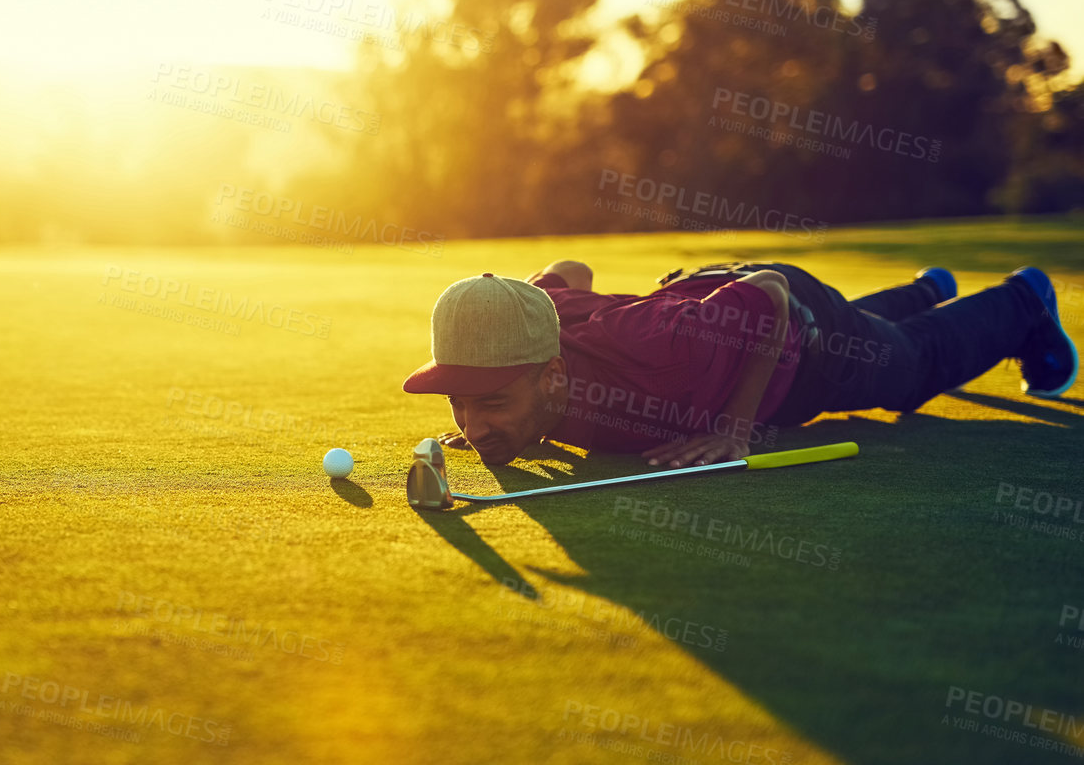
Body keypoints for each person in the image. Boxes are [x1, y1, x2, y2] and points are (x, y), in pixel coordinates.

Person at [401, 261, 1076, 470]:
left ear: (550, 375)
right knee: (893, 336)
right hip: (710, 304)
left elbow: (766, 296)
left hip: (800, 339)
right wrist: (501, 407)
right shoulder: (540, 321)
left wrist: (734, 427)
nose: (471, 421)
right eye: (460, 399)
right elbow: (563, 274)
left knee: (911, 370)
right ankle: (926, 290)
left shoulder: (650, 342)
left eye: (490, 401)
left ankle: (1022, 299)